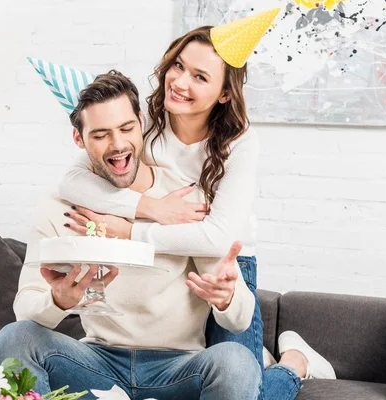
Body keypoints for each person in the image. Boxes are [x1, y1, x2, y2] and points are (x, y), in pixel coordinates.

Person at [56, 25, 336, 399]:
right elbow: (73, 182)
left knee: (243, 389)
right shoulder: (146, 123)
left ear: (223, 94)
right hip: (167, 266)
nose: (180, 82)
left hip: (221, 265)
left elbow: (217, 237)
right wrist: (149, 207)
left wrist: (128, 231)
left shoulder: (239, 142)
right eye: (179, 66)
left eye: (200, 77)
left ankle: (293, 364)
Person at [0, 70, 261, 399]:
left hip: (177, 368)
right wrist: (58, 301)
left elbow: (240, 318)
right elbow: (26, 309)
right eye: (101, 134)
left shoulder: (184, 201)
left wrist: (226, 297)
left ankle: (289, 368)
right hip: (97, 363)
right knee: (13, 338)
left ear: (141, 123)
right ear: (79, 139)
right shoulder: (58, 208)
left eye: (126, 128)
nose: (118, 145)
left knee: (237, 361)